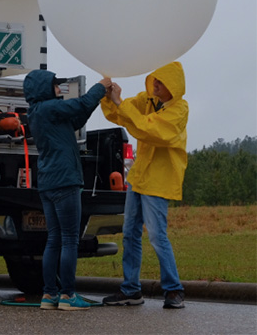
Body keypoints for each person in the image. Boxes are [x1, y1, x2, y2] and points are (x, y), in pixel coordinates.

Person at [101, 61, 188, 309]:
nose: (156, 85)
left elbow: (150, 130)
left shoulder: (180, 109)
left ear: (174, 84)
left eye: (161, 81)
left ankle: (174, 289)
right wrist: (108, 97)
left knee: (158, 237)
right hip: (139, 178)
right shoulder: (148, 100)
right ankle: (131, 290)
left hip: (158, 181)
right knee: (130, 234)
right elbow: (121, 115)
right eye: (155, 80)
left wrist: (120, 102)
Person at [23, 70, 112, 311]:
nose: (60, 89)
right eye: (55, 85)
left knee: (53, 239)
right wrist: (101, 87)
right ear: (44, 88)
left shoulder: (38, 113)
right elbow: (82, 103)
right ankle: (68, 296)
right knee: (70, 239)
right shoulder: (50, 108)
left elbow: (78, 116)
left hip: (48, 183)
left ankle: (49, 295)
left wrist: (95, 101)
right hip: (65, 181)